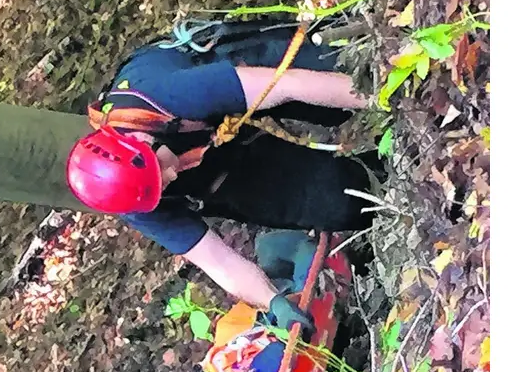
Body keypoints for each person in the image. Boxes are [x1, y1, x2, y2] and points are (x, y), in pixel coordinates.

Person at [66, 18, 382, 338]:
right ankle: (383, 172)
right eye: (161, 188)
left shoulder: (167, 97)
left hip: (224, 71)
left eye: (161, 172)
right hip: (216, 164)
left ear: (143, 145)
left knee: (344, 73)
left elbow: (288, 83)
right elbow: (216, 260)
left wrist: (384, 96)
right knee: (345, 200)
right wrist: (273, 301)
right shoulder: (135, 200)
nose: (172, 177)